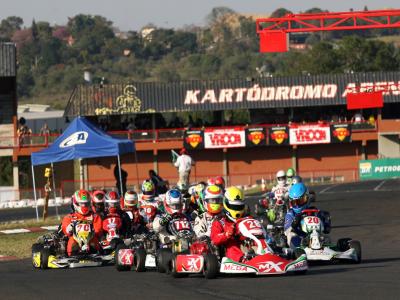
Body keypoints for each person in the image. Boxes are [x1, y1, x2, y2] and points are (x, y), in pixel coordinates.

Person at [284, 182, 330, 250]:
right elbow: (286, 232)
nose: (297, 205)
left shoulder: (314, 210)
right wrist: (294, 224)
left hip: (315, 237)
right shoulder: (291, 214)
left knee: (327, 238)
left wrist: (325, 219)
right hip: (300, 239)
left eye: (300, 201)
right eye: (294, 202)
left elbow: (326, 229)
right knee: (291, 236)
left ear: (307, 198)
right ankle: (298, 252)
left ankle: (325, 250)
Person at [210, 186, 250, 262]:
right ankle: (243, 260)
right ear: (226, 204)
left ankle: (267, 255)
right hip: (228, 251)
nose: (237, 209)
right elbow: (214, 239)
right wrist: (226, 234)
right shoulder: (219, 221)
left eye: (239, 206)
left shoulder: (247, 218)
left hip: (246, 245)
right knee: (232, 245)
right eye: (234, 206)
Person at [61, 190, 103, 256]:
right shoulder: (69, 217)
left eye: (86, 204)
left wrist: (93, 231)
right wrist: (69, 228)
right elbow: (65, 229)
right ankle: (74, 253)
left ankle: (94, 252)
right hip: (75, 239)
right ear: (76, 203)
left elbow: (98, 230)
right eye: (81, 203)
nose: (84, 206)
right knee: (72, 241)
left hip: (91, 239)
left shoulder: (95, 216)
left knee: (94, 240)